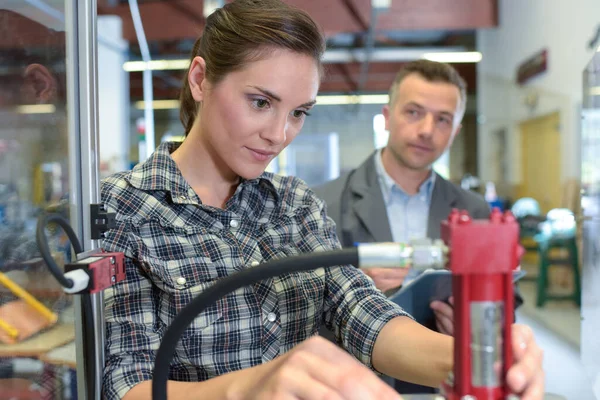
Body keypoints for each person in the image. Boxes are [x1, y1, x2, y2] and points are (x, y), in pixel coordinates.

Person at [100, 1, 544, 399]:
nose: (279, 134)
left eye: (298, 113)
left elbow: (363, 313)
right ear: (200, 79)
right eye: (260, 102)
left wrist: (472, 359)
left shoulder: (295, 204)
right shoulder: (126, 208)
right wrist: (252, 386)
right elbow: (128, 384)